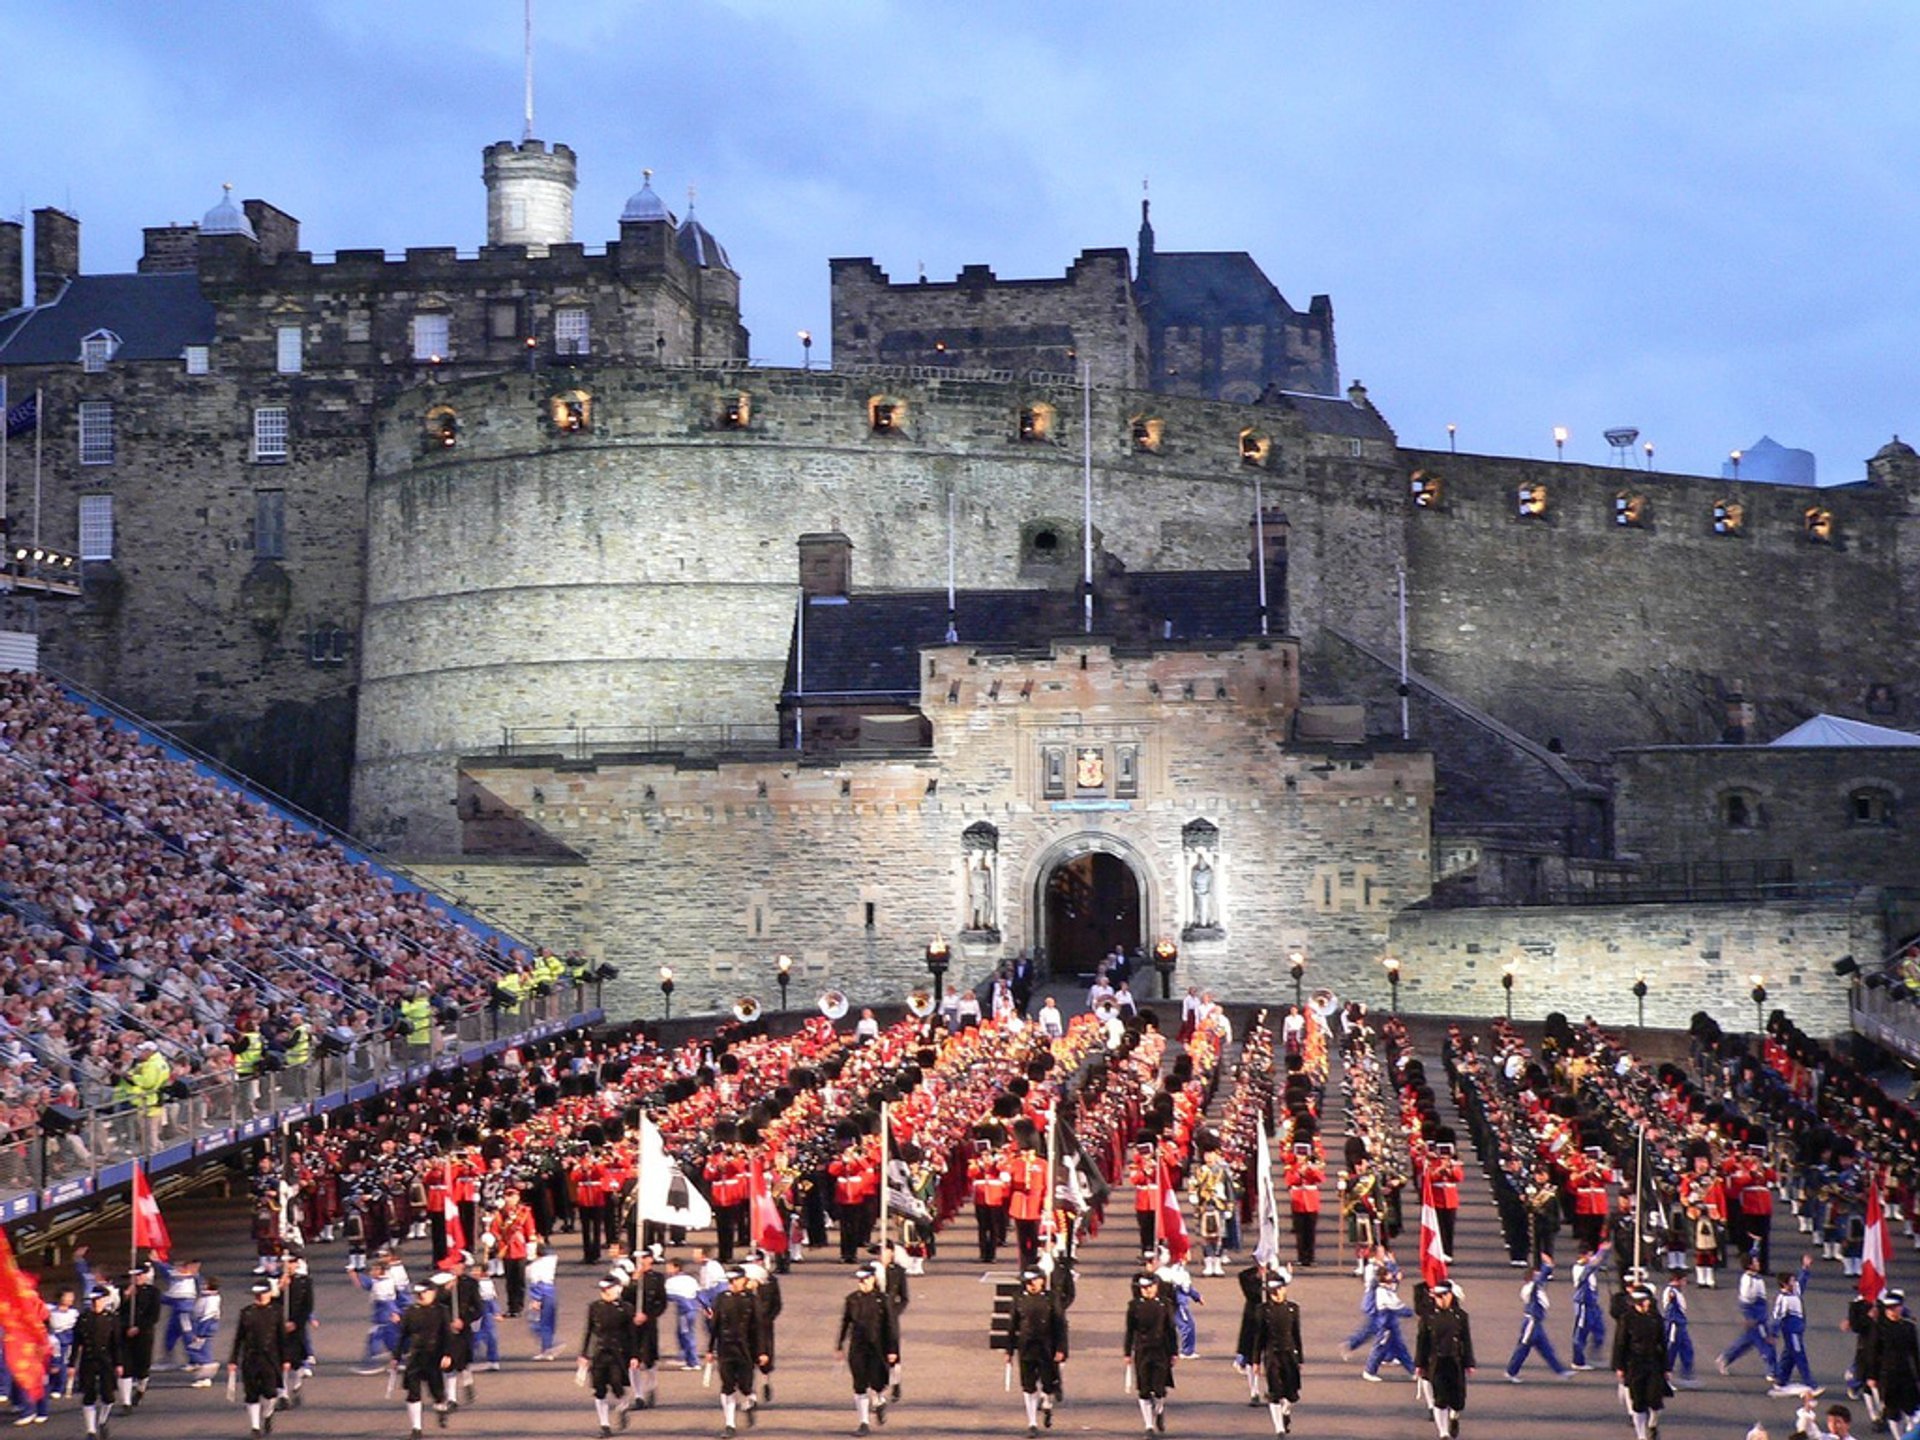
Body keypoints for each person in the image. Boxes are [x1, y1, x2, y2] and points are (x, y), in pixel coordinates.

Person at [835, 1263, 897, 1437]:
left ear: (873, 1279)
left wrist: (892, 1350)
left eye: (865, 1279)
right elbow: (845, 1322)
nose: (862, 1283)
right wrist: (839, 1345)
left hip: (878, 1346)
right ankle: (863, 1422)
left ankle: (879, 1401)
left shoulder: (883, 1300)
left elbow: (891, 1326)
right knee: (859, 1384)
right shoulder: (852, 1299)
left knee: (877, 1382)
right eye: (859, 1280)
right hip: (858, 1346)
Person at [1005, 1267, 1067, 1438]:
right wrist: (1009, 1350)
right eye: (1028, 1282)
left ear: (1042, 1280)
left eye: (1034, 1281)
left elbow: (1060, 1325)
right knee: (1028, 1385)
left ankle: (1047, 1403)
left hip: (1047, 1346)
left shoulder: (1050, 1298)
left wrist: (1061, 1348)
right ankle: (1032, 1422)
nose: (1031, 1285)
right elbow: (1012, 1326)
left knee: (1048, 1383)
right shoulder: (1019, 1299)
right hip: (1026, 1346)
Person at [709, 1266, 767, 1440]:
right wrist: (710, 1349)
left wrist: (762, 1351)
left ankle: (749, 1400)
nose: (735, 1283)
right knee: (727, 1386)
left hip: (745, 1348)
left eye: (738, 1279)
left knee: (745, 1385)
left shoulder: (751, 1300)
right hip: (726, 1347)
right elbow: (715, 1326)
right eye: (733, 1280)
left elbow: (759, 1328)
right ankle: (729, 1424)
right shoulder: (721, 1299)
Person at [1414, 1279, 1474, 1440]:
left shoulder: (1460, 1316)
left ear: (1450, 1295)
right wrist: (1419, 1364)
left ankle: (1454, 1417)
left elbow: (1466, 1340)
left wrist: (1469, 1363)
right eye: (1438, 1296)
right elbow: (1422, 1341)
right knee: (1440, 1399)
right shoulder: (1428, 1318)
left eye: (1444, 1295)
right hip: (1437, 1362)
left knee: (1457, 1399)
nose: (1441, 1299)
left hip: (1455, 1361)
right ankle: (1443, 1433)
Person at [577, 1275, 633, 1438]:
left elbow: (631, 1334)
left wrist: (635, 1355)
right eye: (602, 1290)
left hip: (618, 1353)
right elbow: (588, 1331)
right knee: (599, 1389)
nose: (604, 1292)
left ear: (618, 1289)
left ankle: (623, 1405)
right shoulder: (595, 1307)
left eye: (608, 1289)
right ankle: (605, 1425)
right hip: (599, 1352)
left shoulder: (626, 1308)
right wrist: (584, 1354)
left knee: (616, 1384)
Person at [395, 1281, 453, 1438]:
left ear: (433, 1293)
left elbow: (447, 1334)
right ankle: (416, 1428)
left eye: (424, 1292)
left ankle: (441, 1408)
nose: (420, 1296)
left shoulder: (441, 1311)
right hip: (415, 1356)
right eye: (418, 1293)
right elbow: (403, 1335)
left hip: (434, 1356)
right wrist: (396, 1356)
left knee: (437, 1392)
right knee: (413, 1392)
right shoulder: (410, 1311)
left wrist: (448, 1354)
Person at [1613, 1283, 1670, 1440]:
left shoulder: (1656, 1319)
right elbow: (1620, 1344)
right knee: (1638, 1401)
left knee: (1655, 1400)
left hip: (1653, 1362)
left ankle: (1653, 1423)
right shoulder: (1627, 1319)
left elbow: (1663, 1343)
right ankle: (1641, 1435)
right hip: (1634, 1363)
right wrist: (1619, 1366)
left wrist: (1666, 1367)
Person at [1124, 1271, 1177, 1437]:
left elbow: (1170, 1330)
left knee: (1160, 1389)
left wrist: (1174, 1352)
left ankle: (1159, 1410)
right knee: (1144, 1389)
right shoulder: (1134, 1305)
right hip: (1142, 1349)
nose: (1146, 1290)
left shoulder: (1165, 1304)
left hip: (1161, 1349)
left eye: (1149, 1287)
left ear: (1156, 1287)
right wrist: (1127, 1352)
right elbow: (1130, 1330)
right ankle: (1148, 1425)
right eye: (1143, 1287)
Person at [1251, 1268, 1303, 1436]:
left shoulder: (1293, 1308)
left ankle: (1286, 1412)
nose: (1280, 1293)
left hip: (1290, 1354)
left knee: (1291, 1394)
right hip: (1272, 1354)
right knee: (1275, 1392)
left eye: (1281, 1289)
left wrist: (1300, 1358)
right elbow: (1258, 1337)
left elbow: (1296, 1334)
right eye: (1276, 1291)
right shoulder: (1262, 1310)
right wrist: (1256, 1361)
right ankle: (1279, 1429)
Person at [229, 1279, 283, 1440]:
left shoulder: (276, 1311)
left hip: (270, 1358)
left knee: (270, 1394)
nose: (260, 1297)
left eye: (262, 1294)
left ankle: (267, 1415)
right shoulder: (246, 1312)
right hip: (250, 1358)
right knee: (251, 1394)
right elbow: (239, 1338)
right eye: (257, 1294)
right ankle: (255, 1427)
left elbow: (281, 1337)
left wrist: (286, 1359)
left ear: (269, 1294)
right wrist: (233, 1360)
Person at [1503, 1257, 1571, 1381]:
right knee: (1523, 1348)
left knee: (1546, 1349)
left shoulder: (1536, 1288)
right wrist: (1548, 1266)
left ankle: (1560, 1371)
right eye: (1536, 1274)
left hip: (1537, 1323)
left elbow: (1541, 1282)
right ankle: (1511, 1372)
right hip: (1531, 1322)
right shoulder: (1531, 1288)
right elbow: (1539, 1280)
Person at [1866, 1290, 1920, 1436]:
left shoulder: (1909, 1327)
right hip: (1887, 1375)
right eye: (1888, 1308)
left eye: (1894, 1307)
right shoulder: (1879, 1328)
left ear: (1901, 1307)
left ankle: (1911, 1434)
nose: (1891, 1311)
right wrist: (1872, 1376)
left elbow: (1915, 1352)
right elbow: (1873, 1353)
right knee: (1893, 1412)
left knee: (1912, 1409)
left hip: (1906, 1374)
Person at [71, 1286, 121, 1440]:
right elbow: (76, 1343)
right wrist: (72, 1364)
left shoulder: (111, 1319)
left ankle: (102, 1421)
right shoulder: (83, 1318)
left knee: (108, 1396)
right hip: (88, 1360)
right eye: (93, 1300)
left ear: (105, 1300)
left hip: (106, 1361)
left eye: (99, 1300)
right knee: (89, 1395)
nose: (96, 1303)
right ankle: (90, 1430)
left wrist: (119, 1363)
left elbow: (116, 1344)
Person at [1718, 1254, 1776, 1378]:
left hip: (1761, 1316)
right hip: (1757, 1319)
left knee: (1747, 1342)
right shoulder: (1748, 1282)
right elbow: (1745, 1302)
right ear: (1750, 1265)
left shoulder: (1755, 1278)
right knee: (1765, 1343)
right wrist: (1750, 1318)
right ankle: (1772, 1371)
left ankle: (1726, 1357)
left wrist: (1756, 1242)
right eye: (1756, 1262)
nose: (1758, 1263)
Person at [117, 1262, 160, 1411]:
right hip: (125, 1333)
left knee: (142, 1367)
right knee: (125, 1367)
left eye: (139, 1275)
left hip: (144, 1333)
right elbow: (117, 1312)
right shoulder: (123, 1290)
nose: (136, 1278)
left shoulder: (153, 1292)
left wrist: (139, 1327)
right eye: (134, 1276)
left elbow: (154, 1316)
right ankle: (126, 1402)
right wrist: (126, 1297)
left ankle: (141, 1389)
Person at [1770, 1258, 1816, 1397]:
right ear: (1784, 1284)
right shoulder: (1783, 1299)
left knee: (1789, 1356)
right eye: (1791, 1281)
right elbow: (1778, 1317)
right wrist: (1773, 1334)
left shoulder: (1795, 1292)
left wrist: (1805, 1268)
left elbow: (1802, 1282)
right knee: (1799, 1355)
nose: (1794, 1282)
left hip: (1798, 1330)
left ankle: (1781, 1380)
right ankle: (1810, 1384)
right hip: (1792, 1332)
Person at [1570, 1241, 1610, 1372]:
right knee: (1581, 1333)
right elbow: (1591, 1267)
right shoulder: (1579, 1268)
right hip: (1583, 1303)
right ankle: (1577, 1361)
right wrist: (1601, 1251)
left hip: (1593, 1303)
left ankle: (1593, 1354)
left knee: (1600, 1330)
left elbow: (1597, 1262)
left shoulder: (1588, 1264)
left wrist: (1603, 1253)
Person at [1660, 1269, 1696, 1388]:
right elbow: (1670, 1311)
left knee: (1687, 1349)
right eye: (1684, 1280)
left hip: (1681, 1325)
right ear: (1677, 1280)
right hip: (1675, 1325)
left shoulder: (1677, 1291)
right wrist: (1673, 1323)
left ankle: (1687, 1376)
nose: (1685, 1282)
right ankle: (1665, 1378)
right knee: (1671, 1352)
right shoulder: (1672, 1292)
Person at [527, 1241, 561, 1361]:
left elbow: (536, 1283)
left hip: (541, 1294)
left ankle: (549, 1347)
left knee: (538, 1322)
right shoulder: (551, 1261)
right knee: (549, 1322)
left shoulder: (534, 1267)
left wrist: (536, 1299)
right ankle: (549, 1348)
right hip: (551, 1292)